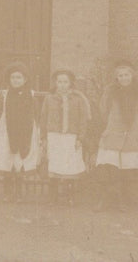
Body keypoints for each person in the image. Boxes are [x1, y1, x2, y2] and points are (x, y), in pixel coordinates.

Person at [94, 59, 138, 212]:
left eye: (127, 75)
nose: (124, 78)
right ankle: (104, 200)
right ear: (116, 78)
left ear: (133, 76)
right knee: (108, 170)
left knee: (127, 171)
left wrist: (135, 129)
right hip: (113, 135)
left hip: (131, 137)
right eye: (120, 75)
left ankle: (122, 202)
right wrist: (113, 126)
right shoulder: (110, 92)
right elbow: (103, 111)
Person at [0, 61, 41, 202]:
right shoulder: (5, 95)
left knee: (20, 161)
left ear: (25, 79)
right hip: (7, 131)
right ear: (9, 79)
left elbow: (35, 114)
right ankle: (8, 192)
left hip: (25, 131)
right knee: (8, 160)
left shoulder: (30, 95)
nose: (16, 80)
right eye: (13, 77)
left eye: (19, 77)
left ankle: (18, 192)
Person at [39, 69, 92, 205]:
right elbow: (43, 118)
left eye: (65, 82)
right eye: (59, 82)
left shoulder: (78, 99)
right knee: (55, 165)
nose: (62, 85)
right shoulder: (49, 98)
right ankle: (53, 196)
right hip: (54, 136)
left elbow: (83, 120)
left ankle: (70, 195)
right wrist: (43, 137)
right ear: (55, 83)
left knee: (70, 165)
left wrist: (80, 137)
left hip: (71, 137)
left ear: (70, 83)